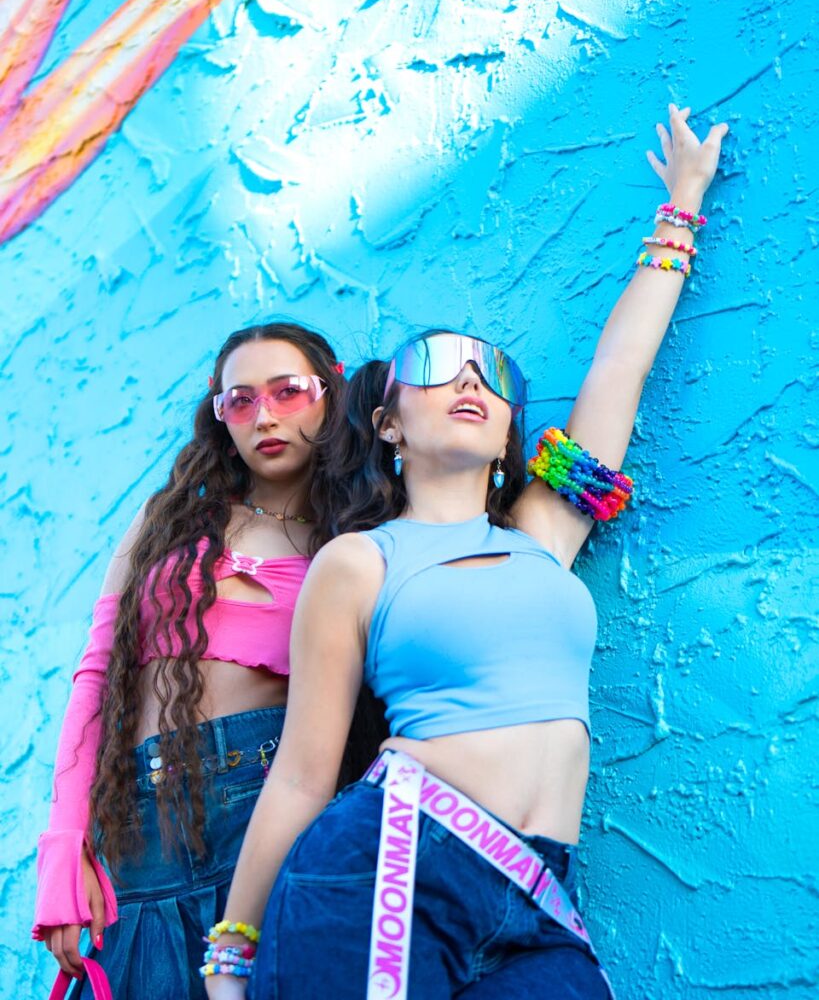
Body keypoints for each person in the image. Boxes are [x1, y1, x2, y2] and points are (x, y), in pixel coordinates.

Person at [205, 104, 729, 998]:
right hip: (392, 860)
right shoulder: (359, 563)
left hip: (538, 893)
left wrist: (679, 208)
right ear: (387, 424)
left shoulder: (540, 535)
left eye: (492, 374)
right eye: (438, 364)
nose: (470, 380)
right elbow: (300, 775)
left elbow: (619, 371)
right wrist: (232, 952)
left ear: (507, 432)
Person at [32, 321, 350, 999]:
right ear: (219, 415)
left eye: (288, 391)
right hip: (140, 825)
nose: (264, 416)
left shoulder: (351, 543)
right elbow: (96, 675)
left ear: (331, 393)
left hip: (269, 809)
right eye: (240, 400)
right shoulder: (167, 521)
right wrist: (66, 846)